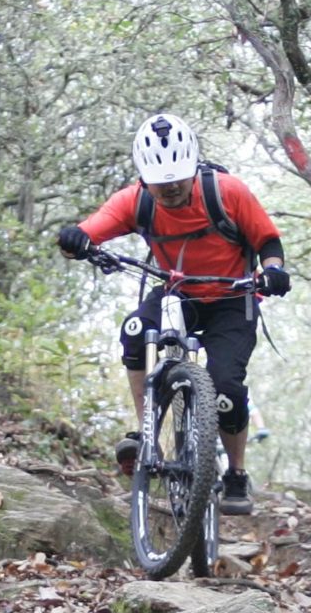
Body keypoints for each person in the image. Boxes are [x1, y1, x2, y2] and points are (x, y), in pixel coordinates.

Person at [56, 113, 289, 515]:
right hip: (176, 292)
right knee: (134, 331)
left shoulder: (227, 192)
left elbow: (267, 240)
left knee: (227, 392)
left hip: (233, 298)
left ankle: (235, 473)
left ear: (192, 170)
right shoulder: (137, 200)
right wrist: (74, 240)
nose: (169, 190)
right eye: (160, 185)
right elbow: (87, 233)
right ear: (145, 178)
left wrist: (272, 271)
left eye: (177, 182)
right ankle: (147, 433)